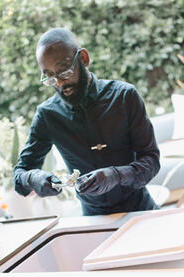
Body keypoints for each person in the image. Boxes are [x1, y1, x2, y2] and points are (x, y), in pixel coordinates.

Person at [14, 28, 160, 216]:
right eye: (50, 77)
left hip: (142, 211)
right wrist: (33, 177)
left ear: (83, 58)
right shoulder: (47, 115)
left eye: (64, 71)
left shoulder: (124, 96)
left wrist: (116, 175)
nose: (59, 83)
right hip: (92, 222)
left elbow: (151, 160)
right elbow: (20, 175)